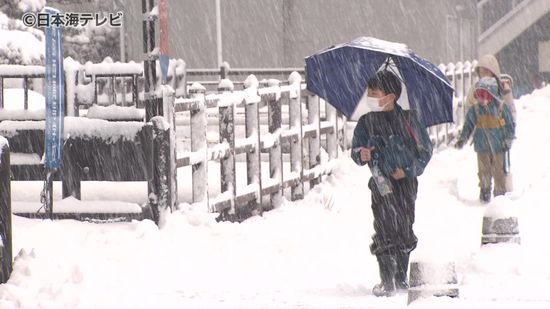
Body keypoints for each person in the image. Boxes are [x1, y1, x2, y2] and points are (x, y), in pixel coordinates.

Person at [351, 70, 433, 297]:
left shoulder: (409, 120)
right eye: (369, 93)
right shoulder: (366, 122)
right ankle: (387, 280)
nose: (370, 98)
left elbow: (425, 151)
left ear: (391, 96)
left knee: (404, 227)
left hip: (406, 184)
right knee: (384, 227)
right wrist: (362, 154)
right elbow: (355, 151)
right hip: (380, 183)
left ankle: (401, 277)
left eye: (374, 93)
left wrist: (407, 171)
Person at [455, 77, 515, 203]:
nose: (481, 100)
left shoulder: (501, 108)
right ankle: (485, 192)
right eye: (479, 96)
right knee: (484, 172)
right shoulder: (475, 110)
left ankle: (500, 196)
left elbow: (510, 125)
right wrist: (463, 139)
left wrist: (508, 140)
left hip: (499, 147)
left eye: (484, 96)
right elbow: (468, 126)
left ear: (491, 95)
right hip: (482, 147)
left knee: (498, 172)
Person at [465, 54, 516, 124]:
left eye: (486, 72)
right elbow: (468, 110)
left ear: (493, 72)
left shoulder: (504, 89)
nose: (483, 75)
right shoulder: (474, 89)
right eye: (481, 72)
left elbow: (511, 110)